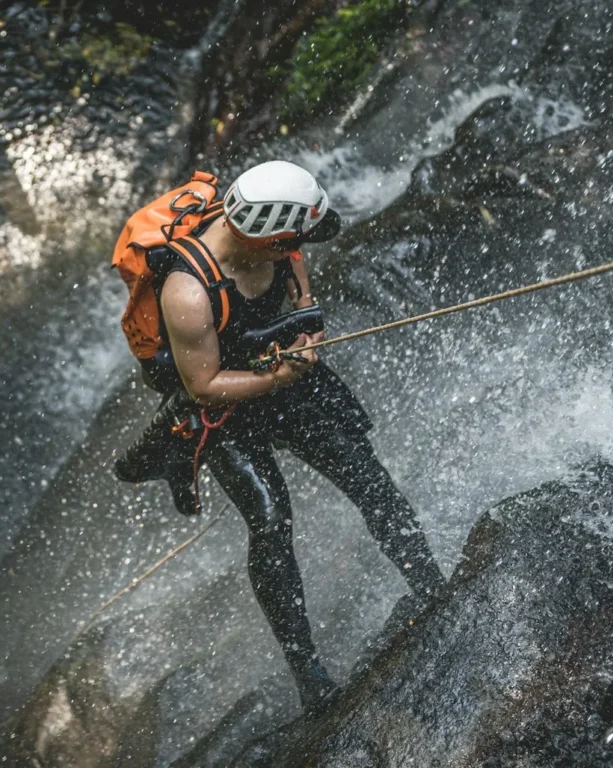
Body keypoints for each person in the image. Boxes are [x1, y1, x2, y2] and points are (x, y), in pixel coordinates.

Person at [114, 160, 445, 715]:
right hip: (223, 405)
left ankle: (431, 584)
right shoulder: (187, 291)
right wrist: (278, 377)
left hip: (277, 374)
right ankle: (307, 670)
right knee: (270, 519)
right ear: (263, 237)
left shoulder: (280, 244)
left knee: (365, 473)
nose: (299, 248)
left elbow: (302, 303)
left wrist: (307, 338)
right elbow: (204, 384)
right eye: (293, 241)